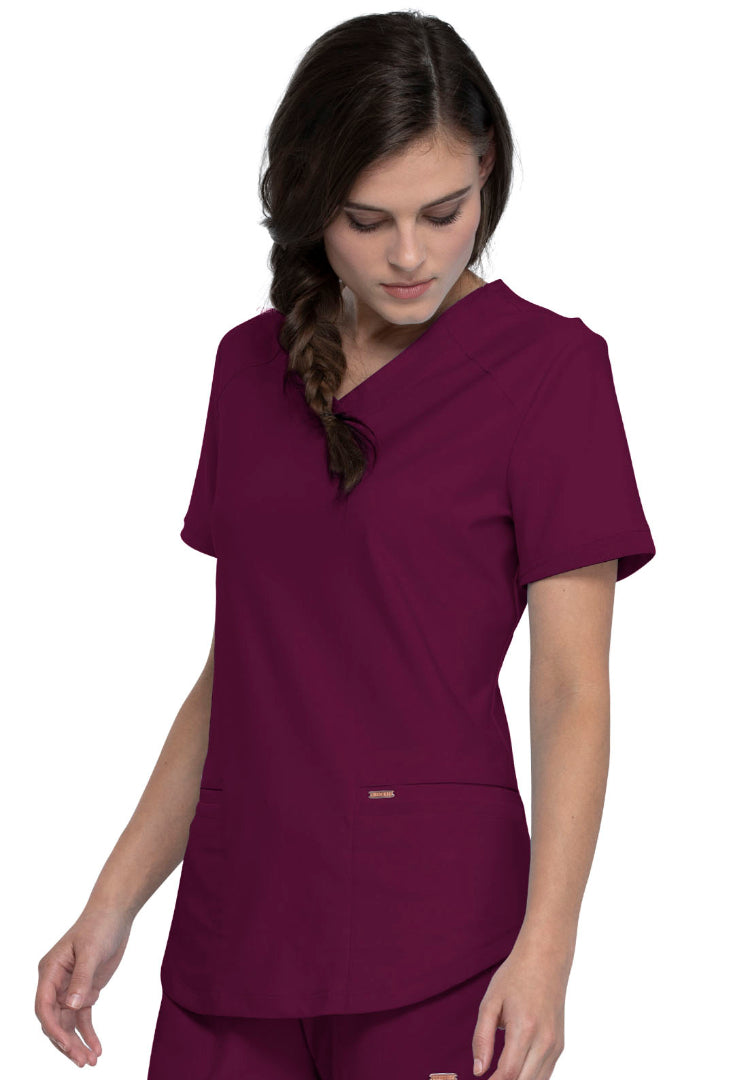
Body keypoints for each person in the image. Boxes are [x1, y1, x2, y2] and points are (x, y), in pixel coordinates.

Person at [35, 11, 656, 1079]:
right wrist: (112, 902)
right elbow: (242, 672)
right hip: (235, 929)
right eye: (368, 221)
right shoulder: (246, 370)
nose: (411, 255)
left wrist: (547, 952)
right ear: (309, 201)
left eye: (443, 212)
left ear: (487, 173)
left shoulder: (551, 374)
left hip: (439, 941)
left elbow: (570, 691)